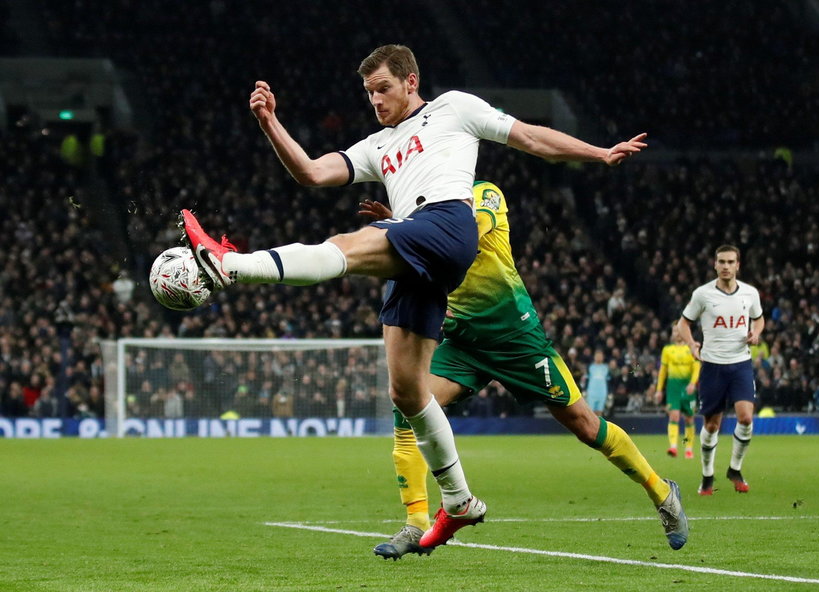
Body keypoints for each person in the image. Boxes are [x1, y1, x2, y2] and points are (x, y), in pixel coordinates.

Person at [180, 44, 648, 549]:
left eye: (383, 89)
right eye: (368, 93)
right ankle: (460, 500)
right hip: (420, 252)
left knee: (342, 246)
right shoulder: (377, 146)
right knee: (407, 394)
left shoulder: (455, 108)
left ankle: (230, 265)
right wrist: (270, 122)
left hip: (448, 224)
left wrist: (598, 152)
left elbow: (531, 137)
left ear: (410, 81)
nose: (376, 101)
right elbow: (312, 173)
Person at [361, 181, 687, 559]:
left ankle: (663, 494)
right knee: (409, 404)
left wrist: (402, 228)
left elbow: (460, 235)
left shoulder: (484, 194)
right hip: (465, 342)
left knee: (585, 425)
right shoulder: (424, 210)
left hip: (517, 339)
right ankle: (415, 522)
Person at [676, 245, 764, 495]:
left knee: (746, 417)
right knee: (712, 425)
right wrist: (692, 343)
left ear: (738, 265)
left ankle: (734, 469)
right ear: (715, 265)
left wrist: (756, 333)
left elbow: (758, 318)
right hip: (713, 366)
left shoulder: (750, 293)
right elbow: (683, 323)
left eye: (730, 262)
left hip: (741, 364)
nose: (726, 266)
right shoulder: (703, 294)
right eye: (721, 262)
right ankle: (707, 476)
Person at [655, 323, 701, 458]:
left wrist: (693, 383)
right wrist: (659, 390)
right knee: (674, 415)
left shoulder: (691, 348)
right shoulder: (667, 350)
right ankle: (673, 447)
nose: (677, 333)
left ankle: (688, 448)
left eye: (679, 330)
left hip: (688, 386)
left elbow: (697, 367)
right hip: (673, 387)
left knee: (689, 418)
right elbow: (663, 371)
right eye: (674, 330)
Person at [583, 349, 610, 416]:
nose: (599, 357)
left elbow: (609, 381)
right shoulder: (590, 367)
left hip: (602, 393)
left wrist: (610, 392)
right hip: (592, 393)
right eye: (597, 356)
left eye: (600, 356)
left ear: (603, 357)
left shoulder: (606, 368)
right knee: (590, 413)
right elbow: (586, 379)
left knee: (599, 413)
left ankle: (598, 426)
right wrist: (584, 390)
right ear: (594, 357)